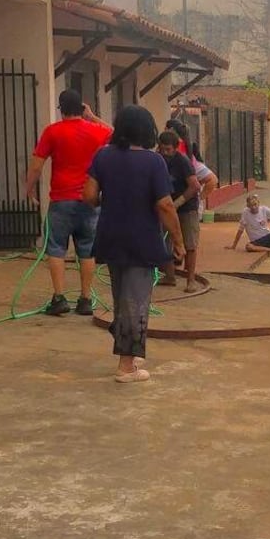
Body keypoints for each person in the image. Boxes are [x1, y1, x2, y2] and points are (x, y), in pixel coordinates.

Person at [83, 106, 185, 383]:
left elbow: (89, 195)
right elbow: (164, 204)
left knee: (121, 296)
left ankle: (127, 348)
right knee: (137, 301)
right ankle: (126, 365)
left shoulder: (103, 155)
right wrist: (178, 241)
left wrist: (111, 200)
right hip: (141, 238)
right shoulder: (154, 162)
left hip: (110, 236)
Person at [25, 89, 111, 316]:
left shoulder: (52, 132)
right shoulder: (95, 131)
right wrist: (92, 117)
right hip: (89, 200)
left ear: (61, 108)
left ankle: (59, 297)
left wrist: (29, 188)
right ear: (81, 108)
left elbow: (36, 165)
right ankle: (85, 299)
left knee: (55, 248)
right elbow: (115, 133)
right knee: (87, 250)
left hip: (61, 200)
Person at [157, 129, 202, 292]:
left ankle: (190, 280)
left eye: (168, 149)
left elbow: (194, 186)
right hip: (167, 208)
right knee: (165, 242)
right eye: (162, 149)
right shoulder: (158, 160)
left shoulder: (182, 162)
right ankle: (170, 276)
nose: (165, 152)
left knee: (189, 244)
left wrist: (177, 203)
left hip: (186, 208)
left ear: (176, 148)